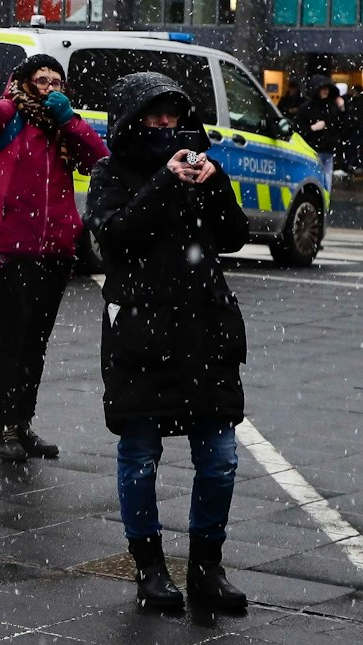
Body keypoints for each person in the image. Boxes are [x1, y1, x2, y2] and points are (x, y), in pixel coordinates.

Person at [86, 71, 252, 617]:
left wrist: (214, 183)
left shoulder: (203, 167)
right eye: (155, 115)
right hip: (142, 334)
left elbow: (233, 235)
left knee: (220, 457)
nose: (166, 125)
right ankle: (150, 569)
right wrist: (164, 181)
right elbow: (115, 235)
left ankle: (207, 568)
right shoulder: (111, 172)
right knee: (139, 456)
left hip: (205, 332)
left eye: (173, 115)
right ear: (132, 119)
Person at [0, 54, 108, 463]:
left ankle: (23, 423)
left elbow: (100, 159)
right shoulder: (8, 114)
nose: (50, 87)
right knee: (9, 339)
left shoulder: (63, 125)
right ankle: (4, 428)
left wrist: (68, 120)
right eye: (42, 79)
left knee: (35, 343)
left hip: (53, 251)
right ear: (24, 82)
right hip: (3, 248)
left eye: (57, 81)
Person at [294, 76, 345, 188]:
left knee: (324, 184)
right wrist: (312, 128)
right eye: (322, 88)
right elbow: (298, 129)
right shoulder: (307, 108)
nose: (325, 91)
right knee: (315, 183)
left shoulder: (331, 107)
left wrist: (342, 108)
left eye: (327, 88)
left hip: (327, 151)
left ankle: (323, 204)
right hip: (313, 151)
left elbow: (342, 125)